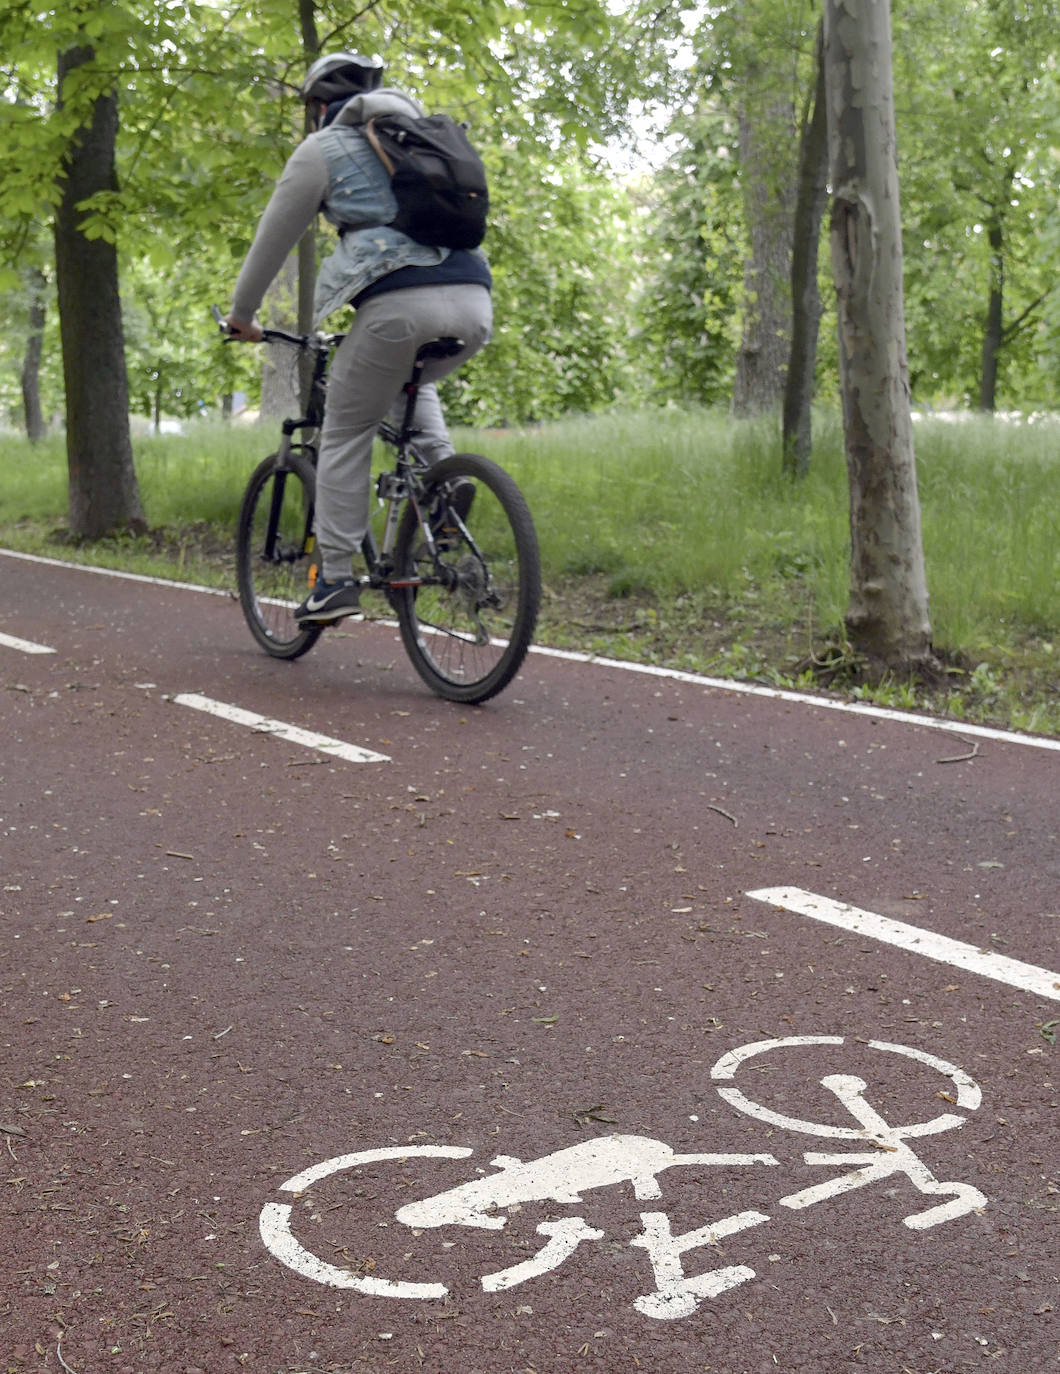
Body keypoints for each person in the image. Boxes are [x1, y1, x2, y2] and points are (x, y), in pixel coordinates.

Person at [225, 53, 492, 624]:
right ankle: (444, 489)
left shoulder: (322, 149)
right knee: (404, 381)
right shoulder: (423, 140)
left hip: (396, 302)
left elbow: (273, 240)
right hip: (474, 303)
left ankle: (336, 580)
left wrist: (242, 314)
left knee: (347, 428)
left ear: (319, 106)